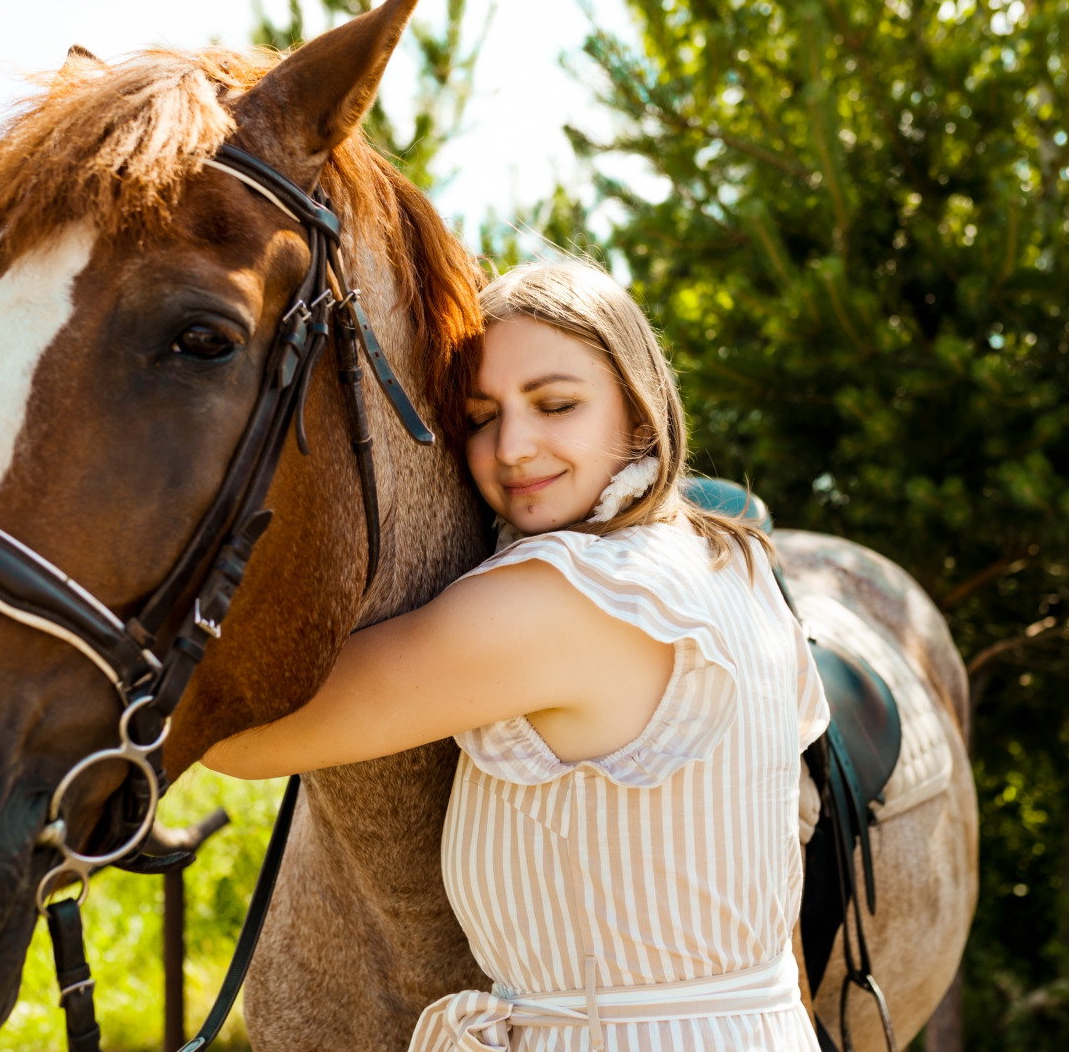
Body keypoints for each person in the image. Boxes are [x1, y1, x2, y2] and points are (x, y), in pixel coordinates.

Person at [204, 260, 829, 1051]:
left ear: (641, 414)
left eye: (556, 404)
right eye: (483, 416)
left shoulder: (563, 597)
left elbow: (253, 737)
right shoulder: (731, 565)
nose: (514, 447)